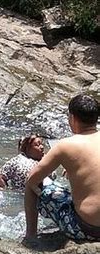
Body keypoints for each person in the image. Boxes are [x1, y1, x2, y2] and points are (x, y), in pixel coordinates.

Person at [25, 94, 100, 241]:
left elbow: (32, 179)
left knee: (36, 183)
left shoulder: (65, 145)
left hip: (87, 229)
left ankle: (30, 237)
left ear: (72, 118)